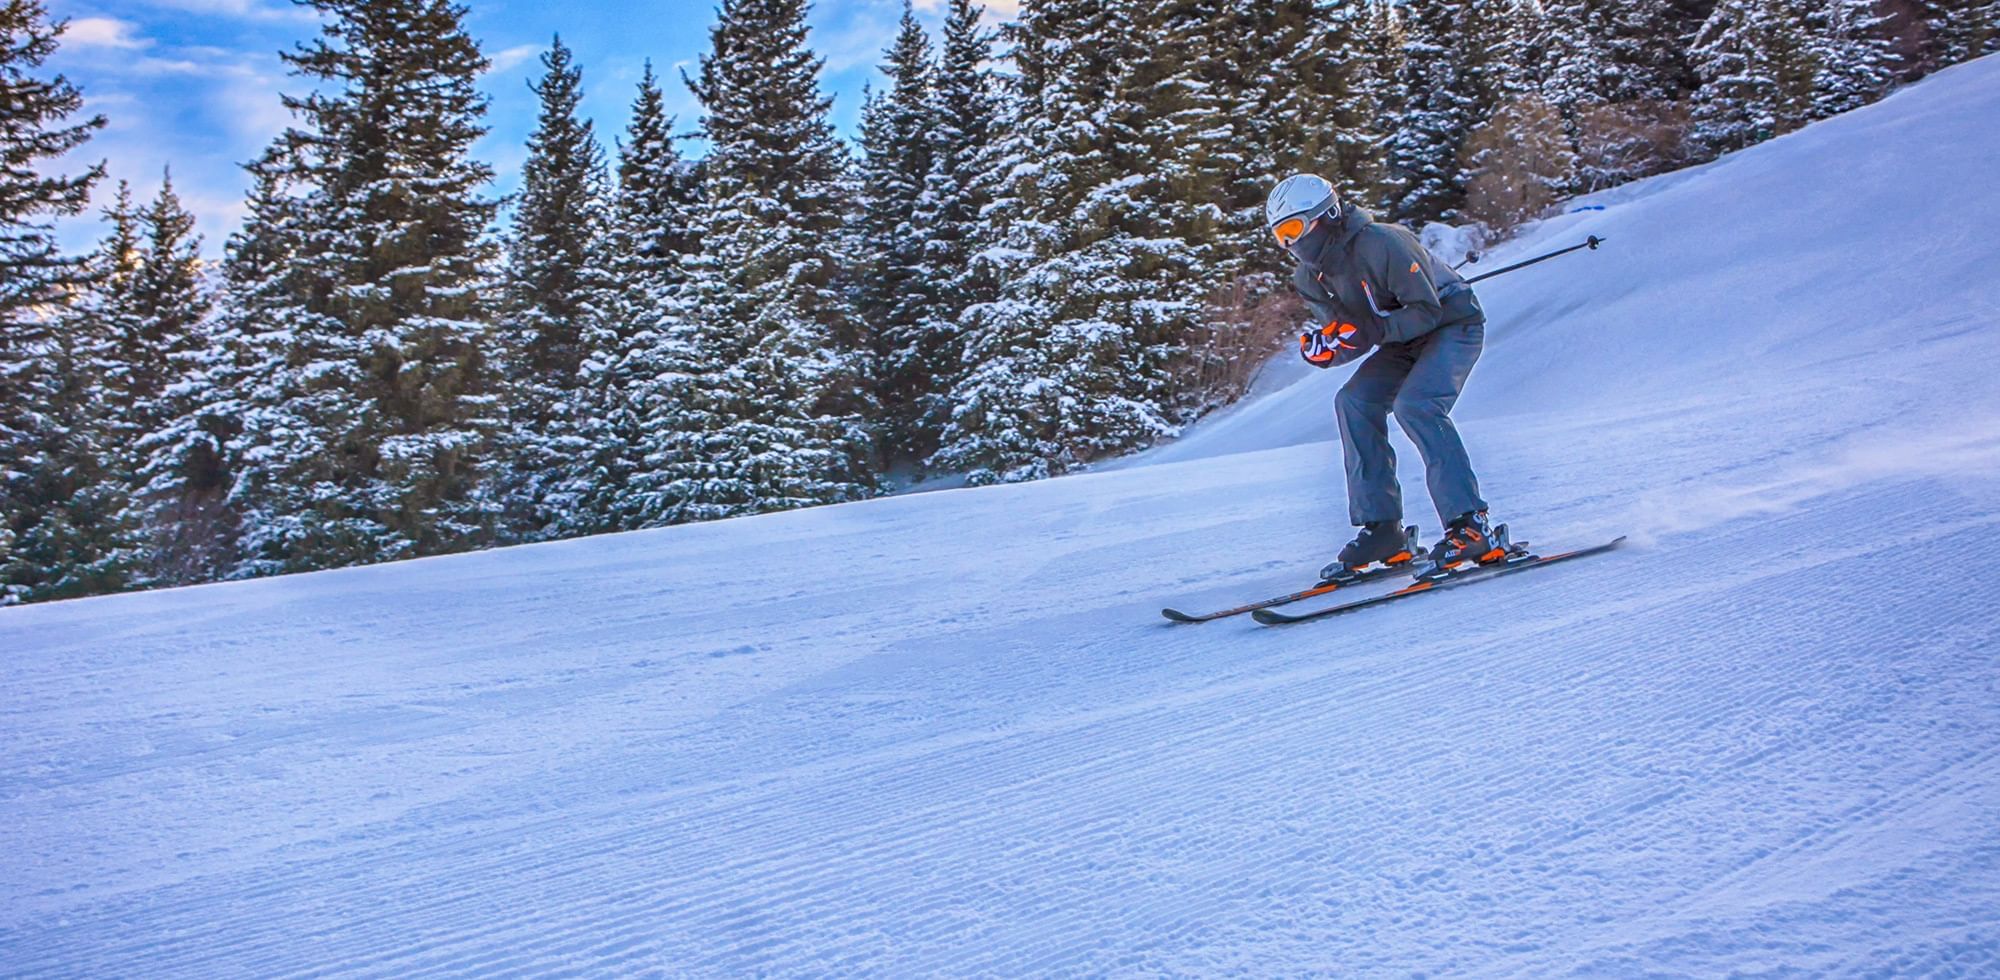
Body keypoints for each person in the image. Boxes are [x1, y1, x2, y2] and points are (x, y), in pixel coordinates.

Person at [1265, 173, 1504, 578]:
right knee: (1354, 402)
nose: (1290, 244)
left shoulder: (1384, 242)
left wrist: (1367, 332)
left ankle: (1471, 524)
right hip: (1401, 341)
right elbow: (1351, 333)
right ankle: (1384, 529)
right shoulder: (1310, 277)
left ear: (1326, 216)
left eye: (1293, 229)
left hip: (1451, 325)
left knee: (1417, 405)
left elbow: (1426, 311)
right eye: (1279, 236)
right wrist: (1329, 349)